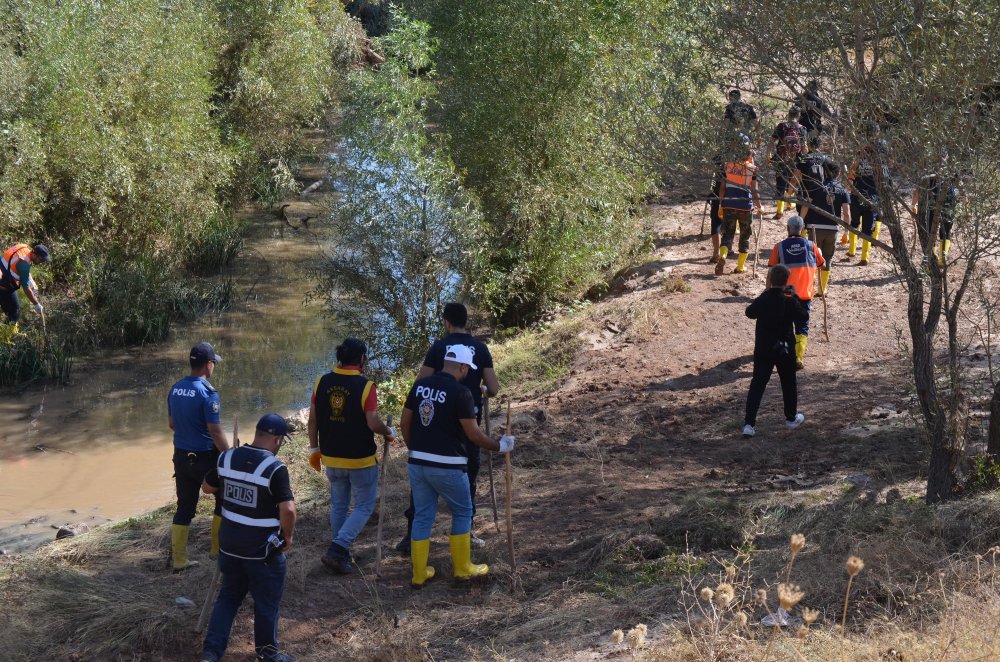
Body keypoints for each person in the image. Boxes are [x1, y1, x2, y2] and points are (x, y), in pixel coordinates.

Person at [400, 344, 514, 588]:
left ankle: (419, 573)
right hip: (449, 465)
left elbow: (404, 422)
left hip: (417, 464)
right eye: (467, 369)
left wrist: (415, 449)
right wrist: (499, 446)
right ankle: (462, 568)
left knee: (422, 516)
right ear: (463, 367)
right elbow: (473, 435)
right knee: (463, 511)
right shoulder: (461, 392)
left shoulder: (419, 386)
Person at [398, 303, 500, 554]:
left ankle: (411, 535)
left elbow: (420, 384)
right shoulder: (480, 348)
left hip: (434, 422)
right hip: (468, 423)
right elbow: (494, 389)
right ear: (467, 321)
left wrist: (414, 444)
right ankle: (468, 532)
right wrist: (482, 390)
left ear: (446, 322)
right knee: (468, 479)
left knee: (422, 486)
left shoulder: (439, 348)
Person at [200, 413, 296, 662]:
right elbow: (288, 509)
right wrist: (287, 536)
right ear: (276, 440)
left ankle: (211, 654)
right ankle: (268, 655)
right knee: (266, 604)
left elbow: (207, 487)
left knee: (228, 598)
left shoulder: (227, 457)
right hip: (262, 552)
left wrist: (231, 486)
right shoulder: (275, 468)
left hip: (229, 546)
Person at [307, 337, 395, 574]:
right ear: (362, 359)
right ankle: (338, 548)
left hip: (332, 457)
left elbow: (312, 420)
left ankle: (340, 554)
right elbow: (373, 421)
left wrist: (314, 448)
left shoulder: (321, 382)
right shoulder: (366, 387)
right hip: (360, 459)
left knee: (339, 505)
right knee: (364, 505)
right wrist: (388, 432)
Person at [167, 341, 230, 570]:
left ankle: (179, 560)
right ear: (208, 365)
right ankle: (217, 551)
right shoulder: (208, 393)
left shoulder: (175, 388)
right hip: (206, 459)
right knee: (223, 499)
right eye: (214, 363)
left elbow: (172, 424)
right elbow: (215, 431)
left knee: (184, 507)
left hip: (181, 457)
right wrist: (230, 455)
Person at [743, 265, 807, 438]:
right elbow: (803, 317)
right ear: (787, 281)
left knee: (758, 384)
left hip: (764, 347)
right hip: (784, 348)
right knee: (788, 383)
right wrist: (795, 296)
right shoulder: (789, 299)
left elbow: (749, 312)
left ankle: (749, 424)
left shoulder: (764, 298)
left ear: (770, 280)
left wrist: (764, 294)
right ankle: (791, 418)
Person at [768, 215, 825, 369]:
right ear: (802, 229)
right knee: (802, 326)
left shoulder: (779, 247)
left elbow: (771, 271)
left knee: (784, 325)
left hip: (785, 294)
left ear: (788, 228)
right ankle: (798, 358)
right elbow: (822, 264)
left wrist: (769, 293)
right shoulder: (811, 246)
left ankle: (784, 355)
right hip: (805, 295)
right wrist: (818, 250)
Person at [715, 136, 762, 276]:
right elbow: (754, 191)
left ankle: (722, 256)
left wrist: (721, 204)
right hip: (745, 206)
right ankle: (740, 266)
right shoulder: (752, 169)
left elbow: (722, 188)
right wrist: (760, 206)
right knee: (745, 235)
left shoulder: (727, 166)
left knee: (727, 234)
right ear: (748, 155)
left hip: (728, 203)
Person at [846, 135, 888, 265]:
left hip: (857, 196)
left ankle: (852, 250)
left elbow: (850, 179)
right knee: (868, 227)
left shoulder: (858, 162)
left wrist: (847, 190)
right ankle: (865, 257)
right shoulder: (879, 164)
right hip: (873, 198)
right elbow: (885, 181)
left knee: (854, 222)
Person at [913, 171, 959, 265]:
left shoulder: (933, 168)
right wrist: (914, 203)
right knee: (934, 231)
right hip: (941, 203)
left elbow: (919, 188)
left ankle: (938, 259)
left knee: (938, 231)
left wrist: (914, 203)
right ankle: (934, 259)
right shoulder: (949, 167)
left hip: (942, 203)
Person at [769, 106, 807, 220]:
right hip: (796, 161)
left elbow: (771, 141)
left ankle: (779, 210)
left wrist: (768, 155)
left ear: (789, 115)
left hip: (781, 159)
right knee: (793, 182)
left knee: (780, 183)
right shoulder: (802, 128)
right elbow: (804, 147)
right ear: (799, 116)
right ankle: (790, 203)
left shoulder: (781, 126)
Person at [0, 242, 50, 325]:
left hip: (2, 274)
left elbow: (20, 268)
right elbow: (26, 288)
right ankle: (6, 335)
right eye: (41, 259)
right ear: (34, 254)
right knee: (14, 313)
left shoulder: (24, 249)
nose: (42, 262)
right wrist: (36, 304)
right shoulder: (24, 264)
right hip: (3, 285)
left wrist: (31, 281)